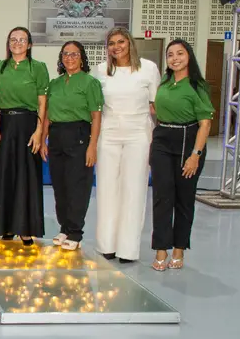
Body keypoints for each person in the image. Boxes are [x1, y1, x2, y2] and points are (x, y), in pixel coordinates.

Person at [92, 28, 160, 263]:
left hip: (138, 133)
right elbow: (95, 106)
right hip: (108, 133)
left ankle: (128, 249)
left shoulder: (148, 68)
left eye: (121, 41)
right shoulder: (101, 70)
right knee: (107, 188)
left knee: (134, 189)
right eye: (111, 43)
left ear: (130, 43)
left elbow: (156, 104)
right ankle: (107, 245)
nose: (116, 46)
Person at [150, 40, 213, 271]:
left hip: (189, 140)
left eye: (180, 54)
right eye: (170, 55)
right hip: (162, 139)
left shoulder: (198, 86)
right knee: (162, 197)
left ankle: (179, 248)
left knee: (184, 199)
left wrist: (195, 155)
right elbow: (157, 109)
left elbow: (205, 124)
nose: (175, 58)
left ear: (189, 57)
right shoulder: (165, 82)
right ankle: (161, 249)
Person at [0, 27, 50, 245]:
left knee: (27, 176)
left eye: (22, 40)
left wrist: (39, 132)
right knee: (6, 175)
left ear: (29, 44)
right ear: (8, 43)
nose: (17, 43)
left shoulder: (38, 67)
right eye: (13, 39)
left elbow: (42, 102)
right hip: (5, 124)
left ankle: (25, 228)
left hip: (29, 124)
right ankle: (6, 226)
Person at [41, 41, 103, 251]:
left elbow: (96, 116)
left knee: (77, 186)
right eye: (65, 54)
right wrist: (43, 139)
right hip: (56, 136)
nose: (69, 58)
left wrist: (92, 146)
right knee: (60, 185)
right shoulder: (55, 83)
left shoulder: (90, 83)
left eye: (74, 54)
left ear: (82, 58)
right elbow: (47, 114)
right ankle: (64, 227)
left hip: (79, 135)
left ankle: (75, 232)